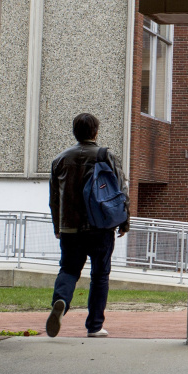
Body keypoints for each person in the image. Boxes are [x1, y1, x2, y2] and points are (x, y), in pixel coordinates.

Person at [46, 113, 129, 339]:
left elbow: (54, 198)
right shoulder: (106, 156)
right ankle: (94, 326)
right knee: (100, 275)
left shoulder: (60, 159)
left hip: (70, 228)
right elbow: (121, 189)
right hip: (100, 227)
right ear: (95, 132)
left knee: (69, 269)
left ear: (75, 132)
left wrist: (58, 225)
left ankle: (61, 300)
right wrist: (124, 221)